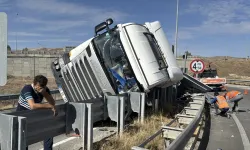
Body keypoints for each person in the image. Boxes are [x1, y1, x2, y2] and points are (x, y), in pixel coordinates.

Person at [16, 75, 57, 150]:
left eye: (43, 86)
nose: (40, 88)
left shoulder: (44, 89)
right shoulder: (27, 88)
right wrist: (49, 106)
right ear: (34, 84)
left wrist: (44, 93)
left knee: (48, 132)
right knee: (24, 140)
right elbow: (33, 106)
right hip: (22, 117)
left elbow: (52, 103)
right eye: (39, 86)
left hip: (34, 116)